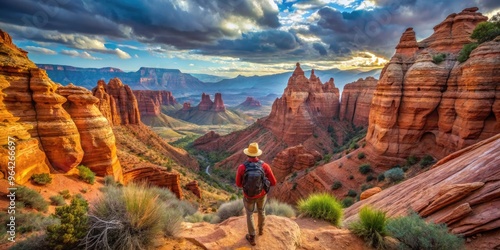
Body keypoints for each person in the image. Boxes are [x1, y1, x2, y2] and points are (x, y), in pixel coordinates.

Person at [235, 142, 277, 246]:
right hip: (261, 194)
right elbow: (274, 182)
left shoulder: (242, 167)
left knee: (249, 214)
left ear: (247, 154)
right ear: (257, 154)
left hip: (248, 196)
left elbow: (238, 184)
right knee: (261, 211)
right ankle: (261, 230)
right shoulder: (265, 166)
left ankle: (252, 236)